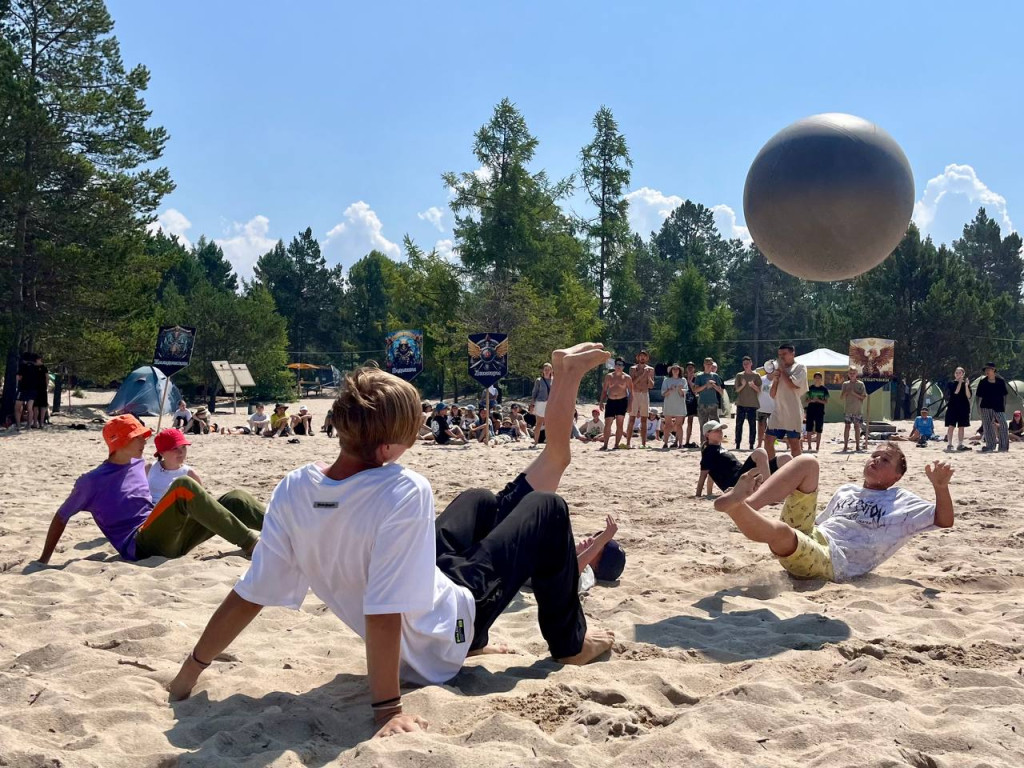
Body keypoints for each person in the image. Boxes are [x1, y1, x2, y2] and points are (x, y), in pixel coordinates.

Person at [167, 343, 616, 737]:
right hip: (446, 635)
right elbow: (383, 608)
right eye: (411, 433)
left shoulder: (295, 487)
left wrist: (190, 671)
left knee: (479, 501)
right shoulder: (403, 489)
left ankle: (565, 376)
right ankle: (571, 644)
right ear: (386, 449)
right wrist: (387, 710)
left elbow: (250, 593)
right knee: (548, 509)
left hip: (431, 587)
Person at [37, 415, 264, 565]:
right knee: (183, 486)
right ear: (120, 442)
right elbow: (61, 516)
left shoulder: (138, 465)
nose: (145, 441)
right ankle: (251, 545)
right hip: (140, 545)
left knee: (235, 498)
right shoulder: (91, 481)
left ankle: (283, 529)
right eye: (138, 437)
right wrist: (44, 560)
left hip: (170, 538)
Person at [713, 443, 954, 582]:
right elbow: (819, 524)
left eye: (885, 460)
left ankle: (737, 508)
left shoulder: (901, 500)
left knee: (782, 533)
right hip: (815, 536)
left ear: (897, 476)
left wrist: (940, 488)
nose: (876, 460)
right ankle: (747, 503)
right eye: (874, 455)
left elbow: (944, 521)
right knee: (808, 462)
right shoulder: (847, 490)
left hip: (833, 561)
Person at [696, 420, 791, 497]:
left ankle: (792, 492)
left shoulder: (719, 449)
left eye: (721, 430)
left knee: (785, 458)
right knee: (760, 452)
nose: (720, 432)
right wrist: (698, 495)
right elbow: (704, 474)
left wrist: (709, 493)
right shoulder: (708, 451)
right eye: (716, 430)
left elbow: (711, 474)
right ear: (707, 435)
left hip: (745, 475)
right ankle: (768, 491)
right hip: (736, 482)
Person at [765, 344, 808, 461]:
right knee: (768, 440)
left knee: (794, 443)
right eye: (779, 355)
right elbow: (772, 394)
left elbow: (793, 385)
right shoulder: (778, 371)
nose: (781, 357)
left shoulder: (799, 368)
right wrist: (776, 380)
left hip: (793, 411)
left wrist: (782, 370)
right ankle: (772, 466)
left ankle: (796, 468)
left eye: (784, 354)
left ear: (792, 353)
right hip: (778, 410)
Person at [147, 429, 204, 504]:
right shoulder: (150, 469)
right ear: (161, 453)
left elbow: (202, 501)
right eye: (175, 448)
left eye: (183, 447)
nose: (181, 452)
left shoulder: (190, 474)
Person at [598, 358, 632, 451]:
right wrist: (601, 402)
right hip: (611, 401)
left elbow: (631, 393)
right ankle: (605, 444)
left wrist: (630, 405)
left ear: (623, 367)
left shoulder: (627, 378)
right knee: (608, 423)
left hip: (622, 401)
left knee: (619, 424)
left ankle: (616, 444)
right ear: (614, 365)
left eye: (621, 365)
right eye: (617, 364)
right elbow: (604, 390)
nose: (618, 366)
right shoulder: (609, 376)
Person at [975, 362, 1010, 452]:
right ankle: (990, 446)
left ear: (993, 370)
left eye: (989, 369)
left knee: (1003, 425)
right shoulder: (983, 382)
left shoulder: (1000, 381)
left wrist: (1004, 406)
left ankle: (1003, 447)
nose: (987, 371)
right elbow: (978, 396)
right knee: (987, 427)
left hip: (998, 407)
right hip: (985, 406)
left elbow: (1005, 395)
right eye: (986, 370)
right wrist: (978, 408)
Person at [626, 350, 655, 449]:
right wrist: (642, 374)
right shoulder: (633, 369)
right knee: (632, 418)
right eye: (641, 356)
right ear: (637, 357)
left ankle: (643, 443)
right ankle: (628, 443)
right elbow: (632, 383)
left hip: (645, 394)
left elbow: (651, 385)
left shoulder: (651, 369)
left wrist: (648, 377)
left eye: (644, 356)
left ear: (647, 358)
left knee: (644, 419)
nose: (642, 358)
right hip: (635, 393)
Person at [732, 357, 761, 451]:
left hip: (752, 404)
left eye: (747, 363)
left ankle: (751, 444)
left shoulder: (756, 375)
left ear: (751, 363)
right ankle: (737, 443)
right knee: (739, 425)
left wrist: (753, 386)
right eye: (744, 364)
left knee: (752, 425)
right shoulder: (739, 375)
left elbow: (759, 390)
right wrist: (743, 385)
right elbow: (737, 390)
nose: (746, 365)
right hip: (741, 403)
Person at [943, 367, 972, 452]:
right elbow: (956, 392)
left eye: (960, 373)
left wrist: (966, 385)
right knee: (951, 426)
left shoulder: (966, 384)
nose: (958, 374)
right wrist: (959, 382)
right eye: (956, 373)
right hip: (953, 407)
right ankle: (949, 444)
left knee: (961, 426)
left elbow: (969, 396)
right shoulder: (951, 383)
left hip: (963, 407)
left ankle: (960, 444)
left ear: (963, 374)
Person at [660, 363, 688, 449]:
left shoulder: (683, 380)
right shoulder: (666, 380)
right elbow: (663, 393)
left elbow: (684, 394)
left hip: (679, 405)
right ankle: (665, 443)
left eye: (677, 369)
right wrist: (670, 389)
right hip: (669, 404)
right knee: (667, 425)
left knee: (679, 425)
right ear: (671, 370)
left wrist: (680, 390)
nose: (675, 370)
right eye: (674, 369)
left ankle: (680, 444)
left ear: (679, 371)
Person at [840, 367, 867, 452]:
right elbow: (841, 397)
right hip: (848, 409)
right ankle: (845, 446)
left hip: (857, 409)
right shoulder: (845, 384)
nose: (852, 375)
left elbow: (863, 397)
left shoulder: (860, 384)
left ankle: (858, 446)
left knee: (857, 427)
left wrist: (854, 393)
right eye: (850, 373)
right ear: (848, 374)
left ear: (856, 374)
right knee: (847, 427)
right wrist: (847, 392)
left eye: (853, 373)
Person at [693, 357, 725, 432]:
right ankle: (703, 439)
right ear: (704, 364)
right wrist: (706, 385)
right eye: (707, 364)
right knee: (703, 426)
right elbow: (696, 390)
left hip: (713, 403)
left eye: (710, 364)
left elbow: (721, 392)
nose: (709, 366)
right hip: (702, 403)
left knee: (716, 425)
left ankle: (716, 439)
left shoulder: (715, 376)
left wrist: (714, 386)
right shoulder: (699, 376)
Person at [530, 362, 554, 448]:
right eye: (545, 369)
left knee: (549, 423)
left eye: (548, 369)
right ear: (543, 371)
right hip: (540, 402)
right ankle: (535, 442)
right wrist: (532, 404)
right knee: (539, 423)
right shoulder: (539, 380)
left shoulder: (554, 380)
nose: (547, 371)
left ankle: (549, 442)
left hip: (550, 403)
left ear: (551, 370)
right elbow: (534, 392)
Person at [804, 373, 829, 453]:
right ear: (814, 379)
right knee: (809, 429)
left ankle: (817, 447)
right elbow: (806, 400)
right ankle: (809, 446)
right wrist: (812, 400)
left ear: (821, 379)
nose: (817, 379)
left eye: (819, 378)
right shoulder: (810, 388)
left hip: (820, 411)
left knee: (819, 429)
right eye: (816, 378)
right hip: (810, 410)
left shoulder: (824, 389)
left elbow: (826, 401)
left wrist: (818, 400)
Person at [756, 372, 775, 450]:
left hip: (774, 408)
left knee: (772, 428)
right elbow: (757, 391)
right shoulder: (762, 379)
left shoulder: (777, 379)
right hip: (762, 407)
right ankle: (759, 444)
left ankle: (771, 444)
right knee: (761, 427)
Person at [683, 362, 699, 448]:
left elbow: (695, 391)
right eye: (688, 367)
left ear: (694, 369)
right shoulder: (683, 378)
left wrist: (690, 382)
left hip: (692, 402)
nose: (690, 369)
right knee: (680, 422)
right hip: (683, 402)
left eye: (691, 367)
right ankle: (677, 441)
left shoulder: (696, 379)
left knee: (690, 422)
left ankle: (687, 441)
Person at [31, 353, 50, 428]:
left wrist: (46, 386)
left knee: (43, 406)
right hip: (34, 388)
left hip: (42, 388)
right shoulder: (33, 367)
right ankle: (35, 422)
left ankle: (41, 423)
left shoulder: (44, 367)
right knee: (35, 406)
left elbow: (47, 378)